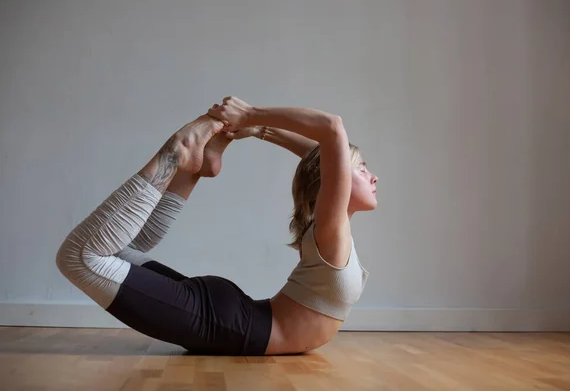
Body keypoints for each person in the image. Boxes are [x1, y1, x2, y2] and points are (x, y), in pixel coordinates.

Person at [55, 96, 378, 355]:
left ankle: (191, 172)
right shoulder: (329, 230)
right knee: (80, 257)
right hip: (228, 324)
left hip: (232, 317)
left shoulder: (331, 226)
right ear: (341, 181)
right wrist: (252, 118)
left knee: (119, 250)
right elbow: (332, 130)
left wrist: (259, 127)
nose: (372, 176)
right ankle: (177, 154)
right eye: (362, 169)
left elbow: (322, 159)